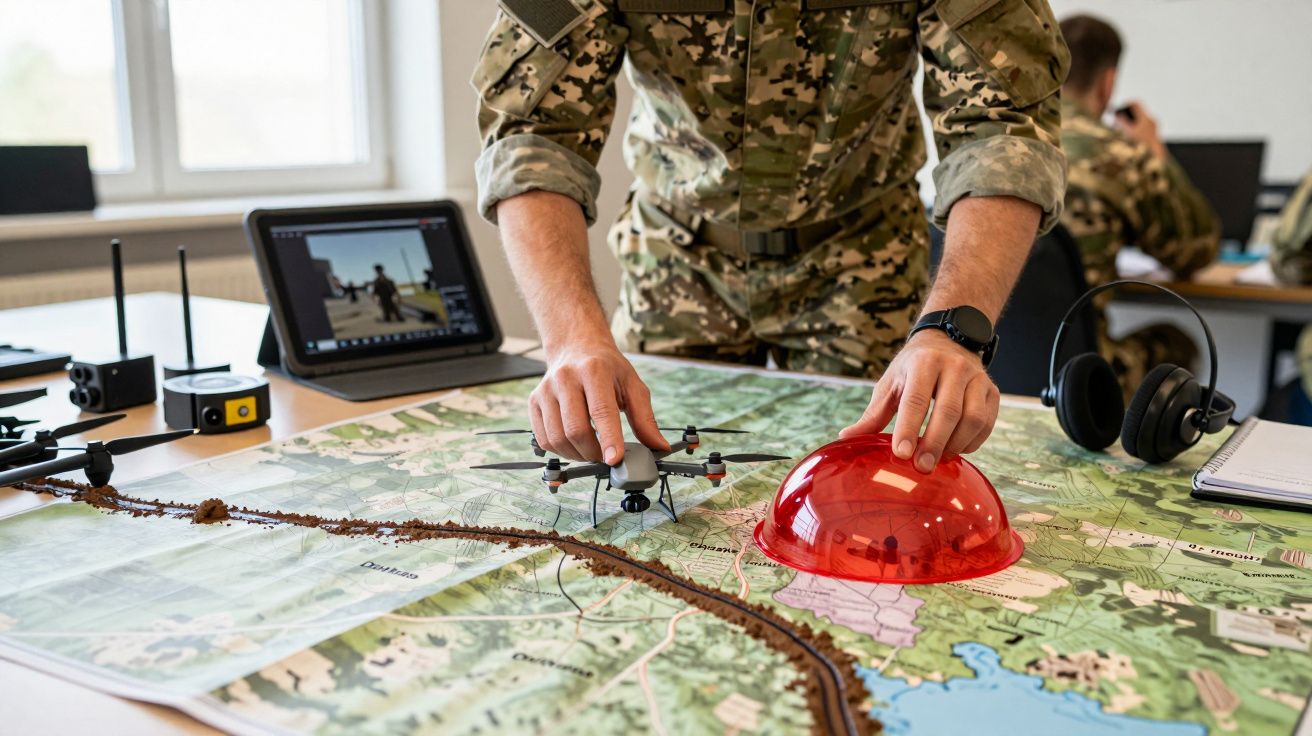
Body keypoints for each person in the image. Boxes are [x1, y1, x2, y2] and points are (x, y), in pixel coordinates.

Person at [474, 1, 1069, 472]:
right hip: (676, 263)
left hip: (861, 267)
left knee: (868, 493)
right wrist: (571, 337)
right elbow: (534, 136)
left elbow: (1001, 134)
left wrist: (952, 328)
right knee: (654, 488)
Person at [1057, 15, 1221, 398]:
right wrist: (1154, 151)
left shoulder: (996, 143)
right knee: (1176, 342)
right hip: (1080, 375)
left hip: (986, 364)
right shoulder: (1122, 154)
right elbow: (1195, 251)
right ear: (1108, 82)